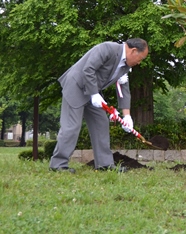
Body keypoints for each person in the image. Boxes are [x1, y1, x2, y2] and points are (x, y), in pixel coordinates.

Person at [49, 38, 149, 172]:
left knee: (101, 123)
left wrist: (127, 116)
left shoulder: (125, 66)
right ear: (133, 51)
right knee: (71, 127)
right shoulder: (107, 49)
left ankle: (105, 165)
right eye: (140, 58)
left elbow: (123, 89)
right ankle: (58, 165)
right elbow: (88, 69)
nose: (139, 62)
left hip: (93, 92)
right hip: (76, 86)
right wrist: (94, 94)